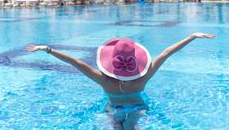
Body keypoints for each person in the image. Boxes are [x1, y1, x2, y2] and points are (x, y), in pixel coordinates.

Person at [27, 32, 215, 129]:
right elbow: (166, 53)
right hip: (138, 107)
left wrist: (48, 49)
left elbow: (75, 62)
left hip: (113, 107)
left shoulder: (103, 80)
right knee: (131, 124)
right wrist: (191, 37)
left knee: (116, 124)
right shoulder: (143, 78)